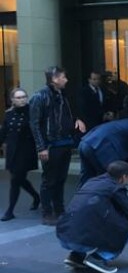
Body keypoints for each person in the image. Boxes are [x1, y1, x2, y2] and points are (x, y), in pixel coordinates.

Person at [56, 161, 128, 273]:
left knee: (89, 218)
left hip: (65, 235)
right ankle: (99, 258)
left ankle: (76, 256)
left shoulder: (92, 181)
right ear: (124, 177)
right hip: (81, 239)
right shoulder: (116, 187)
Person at [29, 67, 87, 225]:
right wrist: (41, 147)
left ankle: (60, 210)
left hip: (64, 142)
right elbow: (34, 124)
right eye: (63, 77)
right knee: (49, 180)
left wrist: (76, 119)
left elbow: (66, 115)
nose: (66, 80)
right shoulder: (40, 97)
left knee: (60, 179)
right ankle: (47, 213)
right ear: (55, 79)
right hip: (51, 145)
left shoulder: (62, 95)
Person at [0, 88, 40, 221]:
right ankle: (36, 196)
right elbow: (4, 132)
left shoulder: (32, 112)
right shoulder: (9, 114)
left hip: (26, 151)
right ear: (12, 100)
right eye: (18, 97)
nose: (22, 99)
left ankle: (10, 211)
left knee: (15, 180)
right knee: (19, 179)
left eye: (24, 96)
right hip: (12, 152)